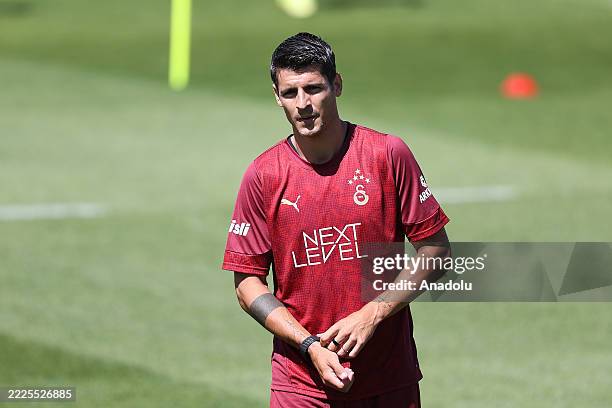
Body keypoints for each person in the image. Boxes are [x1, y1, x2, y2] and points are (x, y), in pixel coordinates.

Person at [222, 32, 450, 408]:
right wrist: (309, 345)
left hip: (388, 378)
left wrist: (372, 313)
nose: (303, 104)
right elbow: (247, 283)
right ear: (277, 96)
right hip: (300, 384)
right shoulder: (263, 175)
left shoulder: (387, 154)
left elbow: (436, 250)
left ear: (337, 85)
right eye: (290, 93)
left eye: (313, 88)